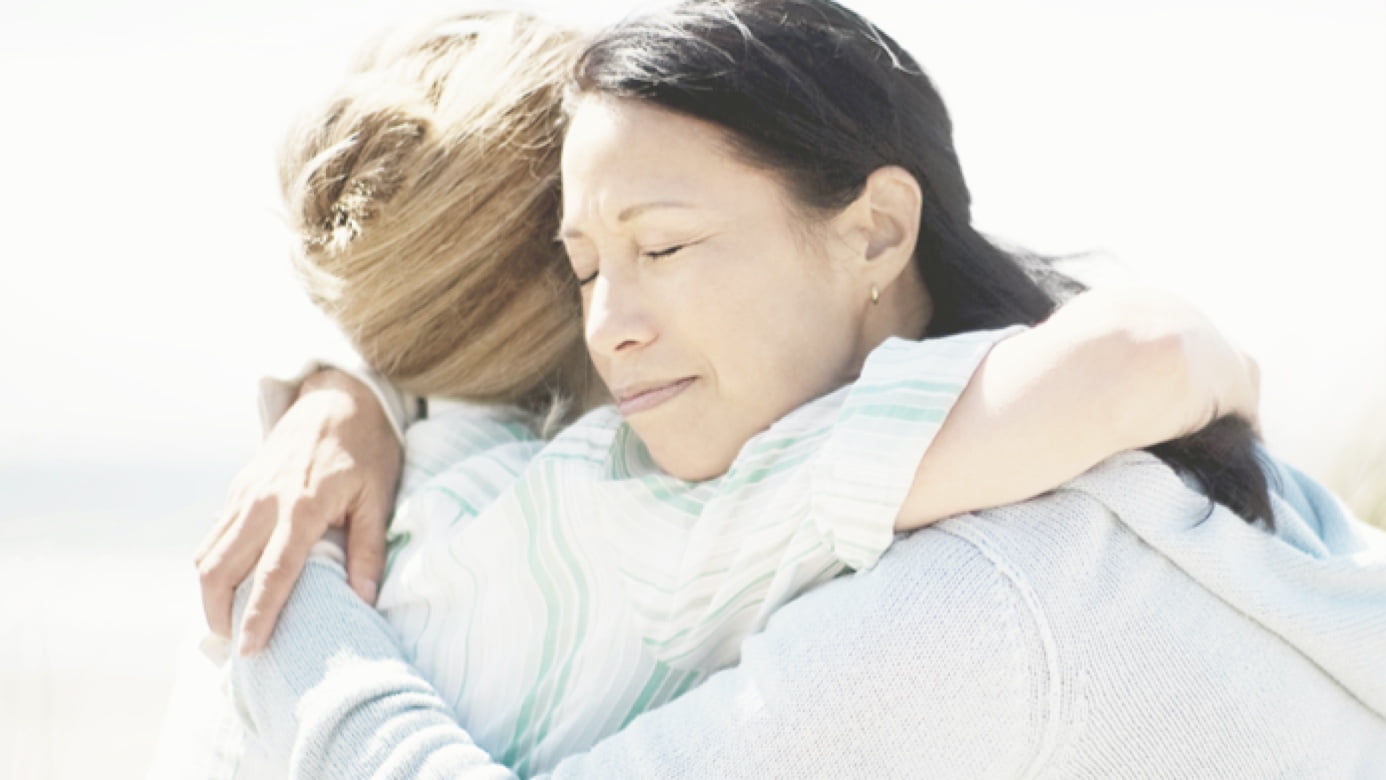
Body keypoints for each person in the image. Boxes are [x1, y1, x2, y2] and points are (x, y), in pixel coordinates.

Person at [220, 1, 1385, 777]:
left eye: (664, 247)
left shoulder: (978, 599)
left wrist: (298, 610)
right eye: (579, 269)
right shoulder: (886, 420)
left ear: (877, 231)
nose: (610, 325)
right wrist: (340, 394)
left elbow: (1144, 354)